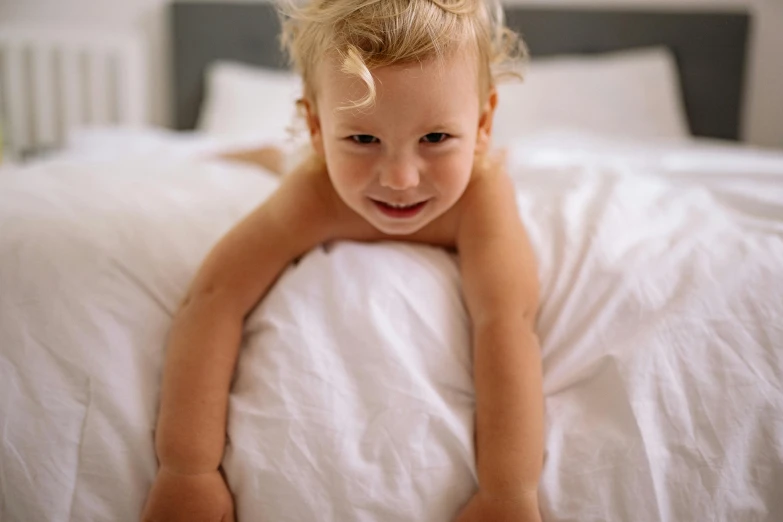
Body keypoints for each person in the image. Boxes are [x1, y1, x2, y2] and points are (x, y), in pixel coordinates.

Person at [140, 0, 544, 520]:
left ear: (485, 122)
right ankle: (262, 151)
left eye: (436, 138)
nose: (400, 178)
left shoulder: (480, 196)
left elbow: (507, 322)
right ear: (315, 125)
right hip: (304, 165)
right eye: (363, 138)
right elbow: (215, 298)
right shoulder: (313, 192)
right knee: (279, 162)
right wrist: (187, 469)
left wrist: (508, 492)